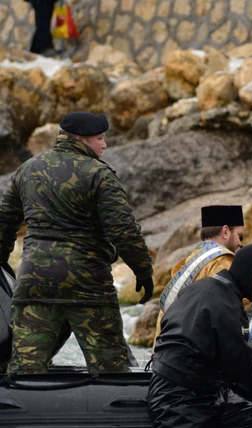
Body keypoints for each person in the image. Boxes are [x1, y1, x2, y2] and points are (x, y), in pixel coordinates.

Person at [0, 112, 153, 375]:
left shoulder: (27, 169)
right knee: (111, 369)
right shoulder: (99, 175)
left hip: (34, 283)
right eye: (100, 138)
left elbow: (4, 223)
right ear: (80, 139)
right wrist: (143, 271)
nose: (104, 145)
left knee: (25, 371)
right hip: (88, 285)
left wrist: (3, 263)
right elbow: (123, 230)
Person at [148, 244, 252, 428]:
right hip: (179, 402)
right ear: (247, 274)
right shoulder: (224, 305)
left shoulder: (204, 289)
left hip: (204, 395)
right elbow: (243, 367)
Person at [155, 205, 252, 370]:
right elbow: (234, 301)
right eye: (239, 236)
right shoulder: (222, 260)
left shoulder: (194, 259)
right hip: (197, 359)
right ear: (226, 231)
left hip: (165, 351)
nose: (240, 244)